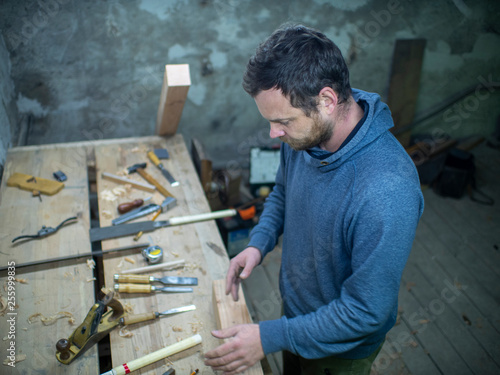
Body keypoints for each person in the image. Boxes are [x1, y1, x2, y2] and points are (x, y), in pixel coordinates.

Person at [204, 24, 424, 375]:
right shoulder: (305, 136)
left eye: (283, 121)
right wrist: (258, 243)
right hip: (296, 318)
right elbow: (282, 192)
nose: (274, 133)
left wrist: (269, 336)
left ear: (326, 100)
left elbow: (366, 312)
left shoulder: (386, 190)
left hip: (341, 349)